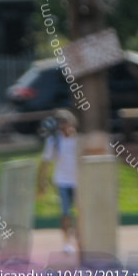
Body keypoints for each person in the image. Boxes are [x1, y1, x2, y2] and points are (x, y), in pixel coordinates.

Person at [37, 109, 79, 254]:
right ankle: (67, 242)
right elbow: (45, 162)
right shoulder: (54, 141)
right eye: (59, 123)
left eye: (64, 122)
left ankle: (80, 239)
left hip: (79, 182)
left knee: (80, 212)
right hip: (62, 181)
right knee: (65, 212)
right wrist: (41, 182)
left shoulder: (78, 139)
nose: (62, 126)